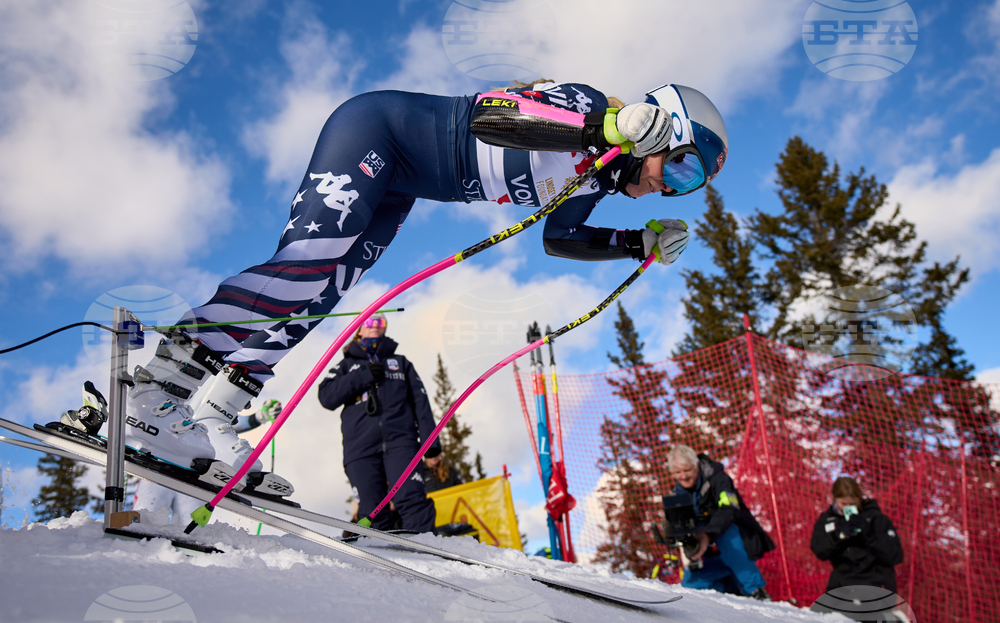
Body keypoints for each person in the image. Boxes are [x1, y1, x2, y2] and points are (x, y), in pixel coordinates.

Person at [123, 80, 729, 491]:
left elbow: (557, 239)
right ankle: (153, 392)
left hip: (403, 185)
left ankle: (214, 415)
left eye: (688, 185)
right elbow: (494, 115)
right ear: (657, 128)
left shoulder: (596, 181)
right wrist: (606, 123)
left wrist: (635, 243)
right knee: (306, 264)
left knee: (324, 294)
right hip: (375, 131)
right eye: (678, 166)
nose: (670, 187)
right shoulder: (591, 107)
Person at [316, 313, 439, 533]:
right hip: (360, 448)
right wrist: (362, 375)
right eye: (369, 322)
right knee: (372, 509)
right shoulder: (346, 365)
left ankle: (427, 552)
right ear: (358, 329)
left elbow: (421, 402)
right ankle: (378, 556)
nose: (375, 326)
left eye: (381, 322)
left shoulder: (400, 363)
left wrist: (432, 442)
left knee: (411, 498)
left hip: (401, 442)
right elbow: (326, 397)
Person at [132, 399, 284, 521]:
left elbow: (217, 424)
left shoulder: (208, 396)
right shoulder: (171, 392)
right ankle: (137, 541)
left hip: (196, 471)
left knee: (190, 523)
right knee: (147, 515)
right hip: (161, 463)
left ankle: (189, 551)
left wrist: (257, 418)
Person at [665, 445, 774, 600]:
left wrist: (707, 535)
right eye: (678, 472)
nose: (683, 476)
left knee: (728, 535)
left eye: (687, 470)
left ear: (696, 465)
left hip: (739, 546)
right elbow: (680, 528)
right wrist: (675, 536)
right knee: (692, 587)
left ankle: (755, 591)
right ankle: (729, 589)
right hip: (708, 555)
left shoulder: (719, 479)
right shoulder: (676, 496)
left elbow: (729, 510)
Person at [810, 476, 904, 593]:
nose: (848, 508)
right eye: (844, 504)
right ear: (834, 499)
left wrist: (869, 534)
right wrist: (838, 535)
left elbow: (895, 555)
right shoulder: (828, 520)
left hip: (876, 585)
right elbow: (819, 550)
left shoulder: (876, 518)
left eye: (852, 504)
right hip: (842, 586)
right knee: (818, 609)